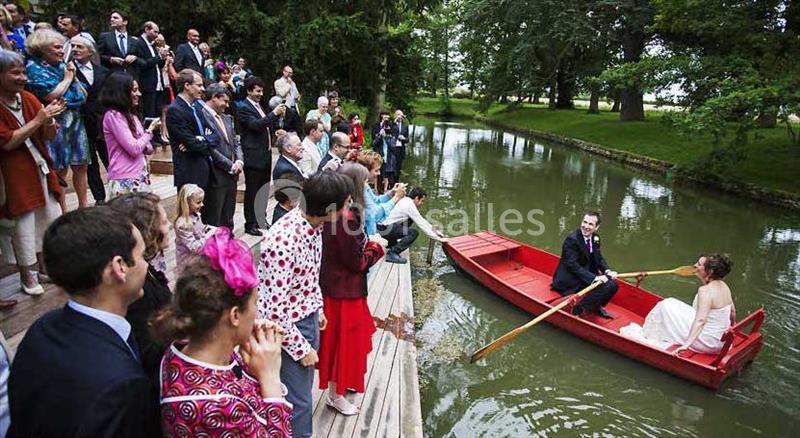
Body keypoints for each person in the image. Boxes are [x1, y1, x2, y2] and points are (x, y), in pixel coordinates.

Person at [7, 207, 160, 437]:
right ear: (119, 267)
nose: (146, 264)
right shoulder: (121, 387)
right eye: (141, 255)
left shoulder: (42, 328)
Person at [154, 229, 292, 436]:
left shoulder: (180, 349)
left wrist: (249, 364)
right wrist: (269, 375)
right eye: (255, 303)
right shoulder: (214, 407)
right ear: (235, 315)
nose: (258, 312)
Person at [257, 171, 351, 438]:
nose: (348, 207)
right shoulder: (283, 241)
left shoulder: (315, 227)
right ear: (330, 208)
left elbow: (311, 275)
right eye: (345, 202)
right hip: (287, 330)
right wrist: (300, 349)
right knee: (298, 402)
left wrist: (317, 307)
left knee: (302, 393)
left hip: (306, 317)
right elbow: (275, 311)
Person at [318, 162, 385, 415]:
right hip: (343, 292)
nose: (367, 187)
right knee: (344, 344)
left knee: (347, 341)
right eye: (365, 183)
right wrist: (376, 248)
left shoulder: (334, 211)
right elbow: (357, 263)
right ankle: (335, 396)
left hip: (336, 287)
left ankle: (341, 386)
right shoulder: (346, 217)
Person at [0, 49, 64, 296]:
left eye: (24, 72)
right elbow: (7, 142)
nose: (22, 78)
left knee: (50, 216)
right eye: (15, 73)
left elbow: (48, 136)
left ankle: (46, 268)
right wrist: (39, 120)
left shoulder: (26, 98)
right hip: (13, 173)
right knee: (23, 223)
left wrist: (48, 121)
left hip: (40, 167)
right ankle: (27, 275)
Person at [106, 192, 172, 391]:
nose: (169, 227)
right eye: (165, 222)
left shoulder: (147, 270)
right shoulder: (135, 291)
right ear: (148, 232)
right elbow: (146, 352)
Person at [26, 29, 90, 210]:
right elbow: (51, 95)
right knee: (60, 167)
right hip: (55, 122)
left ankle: (83, 206)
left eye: (62, 47)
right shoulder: (34, 68)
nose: (62, 51)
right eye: (57, 47)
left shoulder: (62, 66)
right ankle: (62, 209)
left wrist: (72, 79)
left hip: (76, 119)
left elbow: (82, 96)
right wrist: (68, 79)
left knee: (81, 163)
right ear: (42, 48)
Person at [621, 254, 736, 355]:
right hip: (720, 341)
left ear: (710, 272)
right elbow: (732, 313)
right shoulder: (725, 287)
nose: (694, 266)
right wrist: (730, 330)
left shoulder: (705, 291)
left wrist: (686, 345)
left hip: (707, 342)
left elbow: (701, 321)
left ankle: (648, 335)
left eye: (699, 264)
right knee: (670, 302)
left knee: (664, 306)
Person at [550, 211, 619, 319]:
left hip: (585, 275)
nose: (586, 226)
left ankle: (596, 306)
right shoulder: (571, 240)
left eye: (591, 224)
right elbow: (572, 266)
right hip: (570, 279)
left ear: (596, 227)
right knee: (603, 286)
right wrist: (594, 278)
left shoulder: (595, 238)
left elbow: (599, 257)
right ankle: (578, 309)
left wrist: (607, 271)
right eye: (585, 222)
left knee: (613, 285)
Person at [101, 72, 159, 197]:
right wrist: (149, 131)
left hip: (141, 175)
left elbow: (148, 148)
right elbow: (134, 148)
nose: (139, 94)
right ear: (122, 92)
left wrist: (144, 138)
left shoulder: (133, 116)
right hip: (124, 179)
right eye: (134, 90)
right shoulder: (113, 116)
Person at [238, 75, 283, 236]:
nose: (260, 94)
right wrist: (273, 114)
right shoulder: (244, 108)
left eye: (261, 90)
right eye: (257, 91)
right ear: (249, 91)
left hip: (265, 154)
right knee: (252, 191)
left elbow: (264, 125)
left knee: (263, 190)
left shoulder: (258, 106)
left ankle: (260, 219)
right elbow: (256, 126)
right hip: (253, 157)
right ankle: (250, 223)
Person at [72, 35, 110, 204]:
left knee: (109, 156)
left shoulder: (102, 71)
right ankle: (99, 197)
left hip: (101, 122)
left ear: (90, 51)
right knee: (90, 163)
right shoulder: (68, 70)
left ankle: (119, 188)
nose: (75, 50)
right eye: (73, 46)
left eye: (80, 47)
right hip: (80, 122)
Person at [199, 82, 242, 227]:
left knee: (228, 217)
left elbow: (236, 143)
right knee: (214, 218)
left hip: (232, 175)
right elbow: (210, 148)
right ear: (214, 98)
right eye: (225, 101)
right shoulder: (201, 116)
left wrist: (239, 161)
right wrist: (229, 165)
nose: (227, 105)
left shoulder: (227, 118)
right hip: (215, 176)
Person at [166, 69, 212, 190]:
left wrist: (202, 140)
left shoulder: (197, 107)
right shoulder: (174, 110)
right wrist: (202, 142)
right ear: (187, 85)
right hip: (190, 173)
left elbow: (215, 135)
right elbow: (191, 143)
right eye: (199, 85)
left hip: (204, 169)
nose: (203, 89)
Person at [378, 187, 447, 264]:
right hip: (386, 229)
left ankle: (392, 244)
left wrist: (435, 231)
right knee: (413, 233)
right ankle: (392, 253)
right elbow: (421, 224)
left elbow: (422, 220)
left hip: (383, 228)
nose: (422, 203)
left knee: (409, 220)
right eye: (422, 201)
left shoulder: (405, 200)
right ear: (417, 198)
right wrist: (437, 238)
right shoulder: (409, 205)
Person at [357, 150, 403, 237]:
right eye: (376, 170)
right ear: (365, 171)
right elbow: (374, 214)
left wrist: (390, 194)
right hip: (364, 233)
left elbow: (375, 200)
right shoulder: (360, 187)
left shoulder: (364, 184)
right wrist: (396, 198)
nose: (379, 173)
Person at [174, 183, 216, 266]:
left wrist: (211, 229)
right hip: (188, 263)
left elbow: (201, 230)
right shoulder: (183, 224)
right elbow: (194, 247)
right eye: (198, 202)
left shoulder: (195, 214)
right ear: (187, 203)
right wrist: (209, 235)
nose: (202, 205)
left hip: (198, 259)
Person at [96, 10, 142, 77]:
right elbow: (98, 56)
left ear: (125, 22)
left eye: (115, 18)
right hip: (111, 77)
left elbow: (143, 61)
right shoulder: (105, 37)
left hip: (131, 77)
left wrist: (135, 58)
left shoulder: (134, 40)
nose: (112, 19)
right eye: (111, 18)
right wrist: (111, 59)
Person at [137, 21, 167, 122]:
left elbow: (159, 65)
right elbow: (143, 63)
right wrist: (158, 57)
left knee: (157, 112)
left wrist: (162, 57)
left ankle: (157, 135)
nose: (157, 35)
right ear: (146, 30)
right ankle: (149, 135)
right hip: (148, 85)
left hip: (158, 84)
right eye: (155, 32)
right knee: (149, 113)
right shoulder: (139, 43)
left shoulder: (153, 45)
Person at [371, 111, 397, 192]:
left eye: (388, 115)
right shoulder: (375, 126)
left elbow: (393, 146)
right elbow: (373, 143)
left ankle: (385, 189)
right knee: (376, 169)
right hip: (379, 150)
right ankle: (375, 189)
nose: (387, 116)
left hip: (388, 152)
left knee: (386, 172)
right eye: (385, 115)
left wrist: (387, 137)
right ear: (381, 116)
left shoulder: (391, 126)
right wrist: (379, 135)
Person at [391, 109, 409, 177]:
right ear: (395, 116)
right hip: (393, 147)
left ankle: (397, 181)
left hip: (401, 148)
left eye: (401, 115)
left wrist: (403, 139)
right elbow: (390, 132)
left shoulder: (405, 126)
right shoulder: (392, 124)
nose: (400, 116)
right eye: (398, 115)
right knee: (392, 166)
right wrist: (394, 123)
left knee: (398, 167)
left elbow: (407, 140)